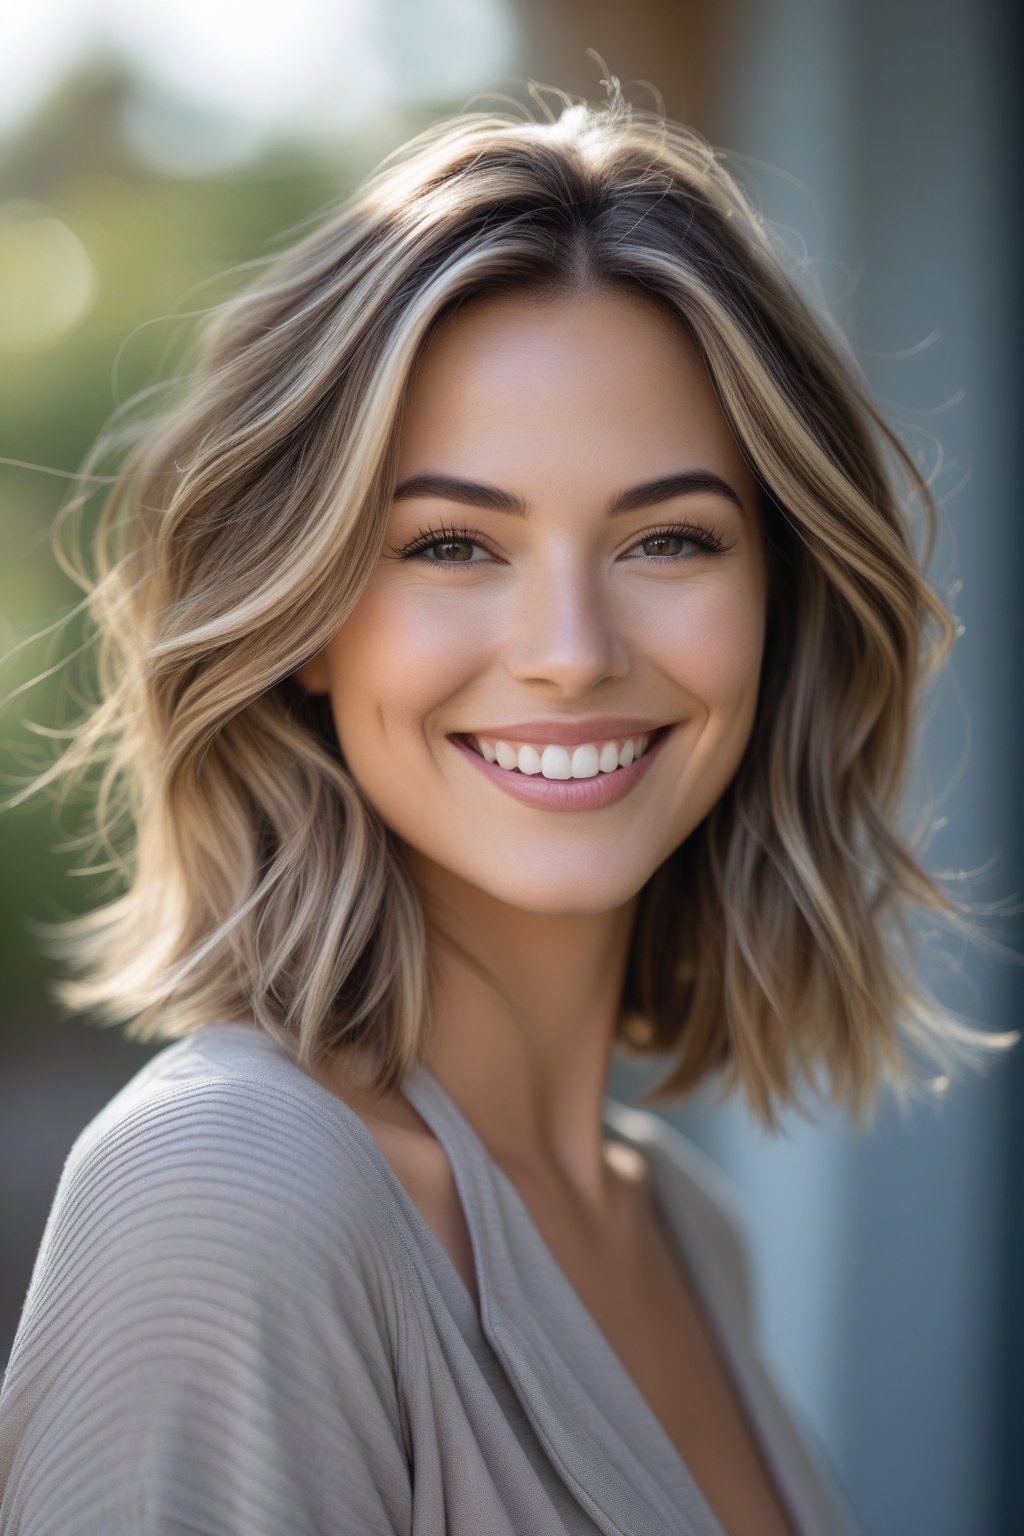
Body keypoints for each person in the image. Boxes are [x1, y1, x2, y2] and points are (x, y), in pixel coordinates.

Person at [0, 83, 1015, 1536]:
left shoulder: (677, 1225)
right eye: (454, 543)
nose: (572, 649)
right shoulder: (229, 1197)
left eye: (669, 537)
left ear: (780, 601)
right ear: (303, 620)